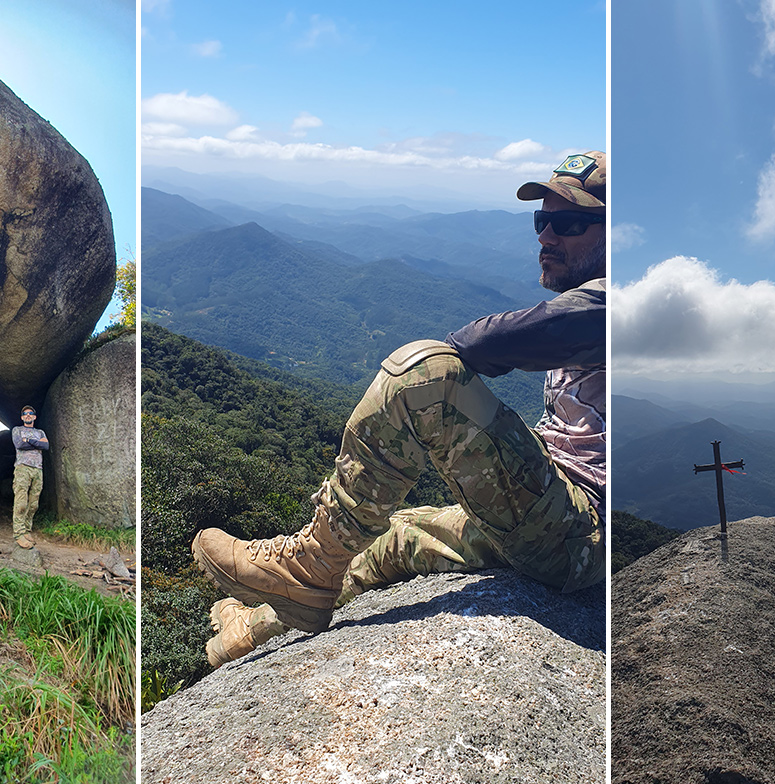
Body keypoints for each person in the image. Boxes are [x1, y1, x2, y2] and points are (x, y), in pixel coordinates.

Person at [192, 152, 608, 666]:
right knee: (396, 533)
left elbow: (505, 339)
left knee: (423, 375)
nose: (547, 237)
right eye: (542, 221)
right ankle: (255, 626)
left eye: (568, 223)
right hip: (557, 514)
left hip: (581, 530)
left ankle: (307, 564)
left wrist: (451, 357)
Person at [11, 405, 49, 549]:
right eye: (25, 413)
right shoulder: (17, 430)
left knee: (33, 504)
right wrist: (36, 444)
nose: (28, 415)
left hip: (37, 470)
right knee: (21, 502)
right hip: (23, 468)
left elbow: (46, 446)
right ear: (22, 417)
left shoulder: (40, 432)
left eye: (30, 413)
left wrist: (29, 441)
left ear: (34, 416)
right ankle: (19, 534)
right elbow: (19, 444)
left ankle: (27, 530)